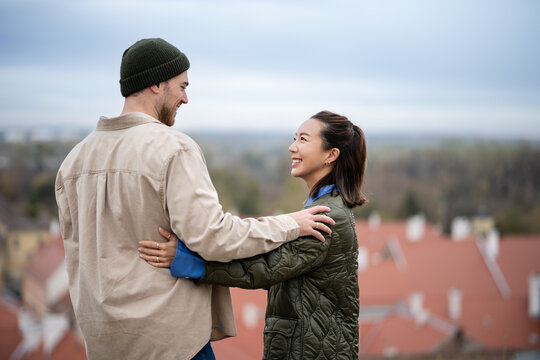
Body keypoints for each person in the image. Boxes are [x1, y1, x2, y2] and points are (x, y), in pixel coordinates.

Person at [54, 38, 335, 360]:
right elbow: (214, 238)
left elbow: (77, 254)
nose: (186, 98)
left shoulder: (73, 162)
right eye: (182, 86)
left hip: (103, 342)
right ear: (156, 84)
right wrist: (289, 225)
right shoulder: (172, 148)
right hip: (168, 341)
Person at [140, 110, 367, 359]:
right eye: (295, 138)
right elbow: (283, 271)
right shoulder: (321, 207)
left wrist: (187, 259)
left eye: (303, 139)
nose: (292, 147)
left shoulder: (326, 216)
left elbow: (265, 268)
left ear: (331, 155)